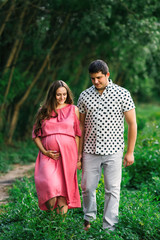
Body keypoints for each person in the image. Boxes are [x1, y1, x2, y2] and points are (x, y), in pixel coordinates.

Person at [77, 59, 137, 231]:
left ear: (107, 75)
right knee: (87, 187)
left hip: (114, 151)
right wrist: (79, 153)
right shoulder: (84, 96)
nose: (96, 81)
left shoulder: (122, 94)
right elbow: (80, 125)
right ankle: (89, 218)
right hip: (90, 150)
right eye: (92, 78)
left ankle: (109, 227)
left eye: (99, 78)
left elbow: (132, 123)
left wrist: (130, 152)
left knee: (112, 189)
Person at [32, 80, 81, 217]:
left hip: (68, 155)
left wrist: (77, 157)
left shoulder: (73, 110)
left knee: (63, 193)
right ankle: (51, 216)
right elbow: (36, 135)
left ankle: (59, 227)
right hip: (48, 156)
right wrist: (44, 151)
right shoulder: (44, 111)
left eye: (64, 94)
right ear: (52, 95)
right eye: (58, 94)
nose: (62, 98)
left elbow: (77, 135)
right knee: (49, 186)